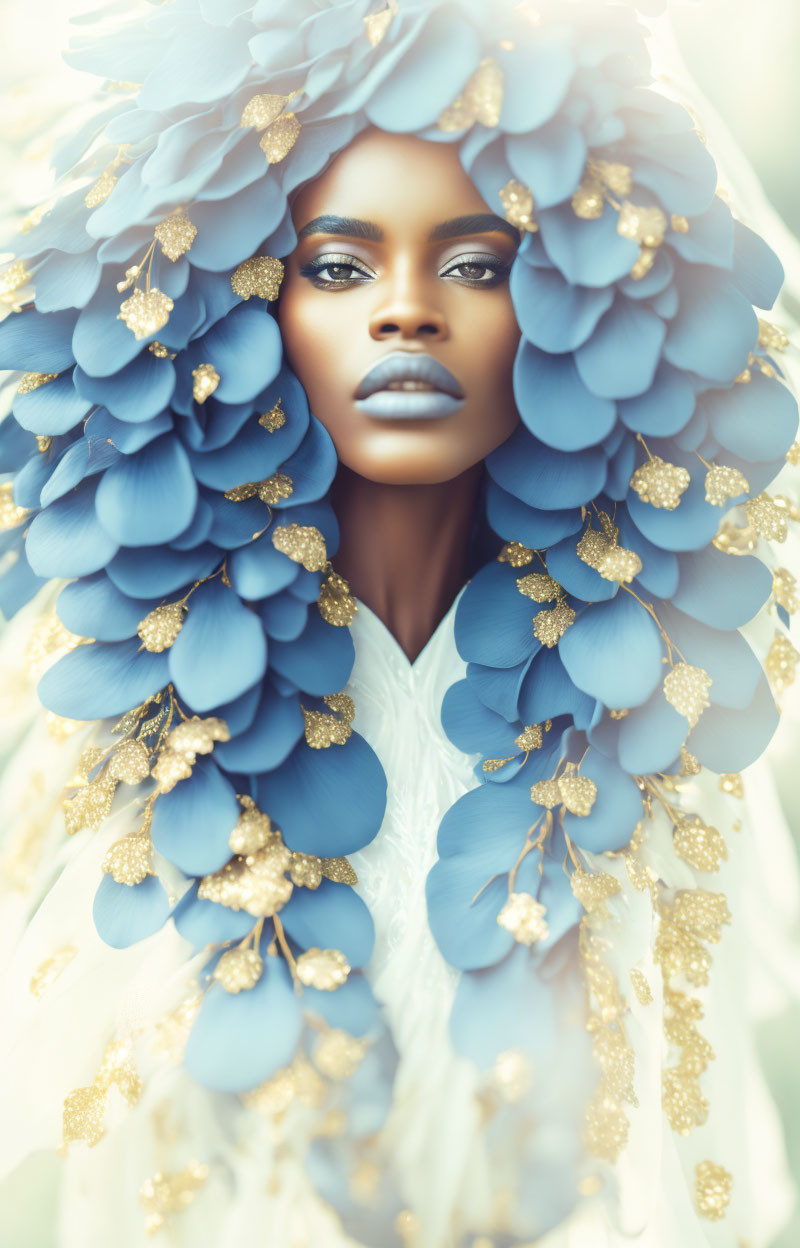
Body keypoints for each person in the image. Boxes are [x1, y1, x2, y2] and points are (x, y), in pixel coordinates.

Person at [0, 1, 798, 1245]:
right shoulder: (171, 716)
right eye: (337, 266)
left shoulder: (630, 717)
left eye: (477, 265)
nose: (406, 312)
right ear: (240, 312)